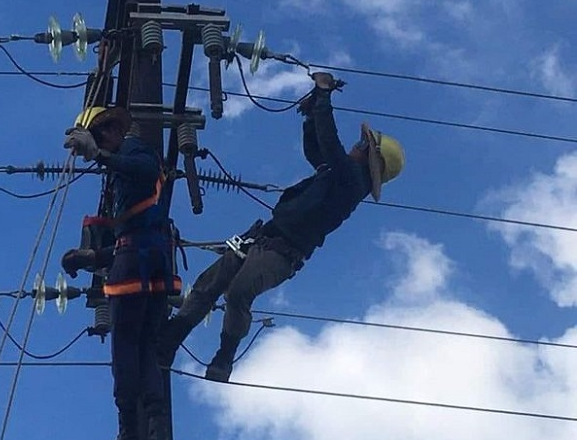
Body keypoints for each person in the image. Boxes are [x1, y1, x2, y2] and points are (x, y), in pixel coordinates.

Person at [157, 72, 406, 382]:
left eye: (361, 144)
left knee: (237, 294)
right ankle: (168, 342)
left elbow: (329, 144)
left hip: (281, 253)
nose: (355, 147)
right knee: (209, 284)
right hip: (265, 238)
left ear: (371, 159)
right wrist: (311, 112)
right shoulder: (340, 176)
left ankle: (223, 358)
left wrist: (324, 96)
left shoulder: (352, 182)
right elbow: (317, 151)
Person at [60, 106, 179, 440]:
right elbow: (133, 237)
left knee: (126, 345)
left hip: (137, 262)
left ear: (110, 131)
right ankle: (154, 422)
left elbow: (142, 170)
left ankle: (130, 425)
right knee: (144, 345)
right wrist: (92, 256)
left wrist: (99, 154)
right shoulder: (128, 171)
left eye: (99, 138)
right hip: (148, 260)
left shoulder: (133, 153)